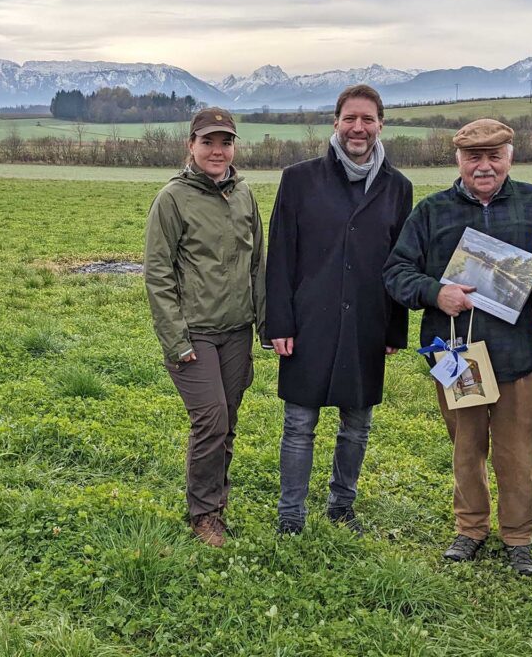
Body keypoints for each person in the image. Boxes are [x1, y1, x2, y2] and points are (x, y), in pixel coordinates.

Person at [383, 119, 532, 575]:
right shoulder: (432, 212)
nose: (485, 165)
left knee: (518, 452)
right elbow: (396, 272)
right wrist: (437, 293)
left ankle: (519, 537)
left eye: (495, 155)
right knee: (466, 447)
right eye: (474, 156)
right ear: (458, 160)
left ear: (510, 156)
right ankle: (470, 528)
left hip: (517, 356)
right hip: (458, 356)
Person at [266, 84, 413, 536]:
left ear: (380, 125)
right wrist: (279, 323)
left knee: (357, 424)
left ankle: (341, 505)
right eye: (350, 118)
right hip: (309, 320)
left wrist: (394, 329)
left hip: (367, 321)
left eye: (368, 119)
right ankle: (291, 514)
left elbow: (400, 261)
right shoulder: (300, 179)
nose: (358, 127)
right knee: (299, 423)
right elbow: (280, 257)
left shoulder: (397, 188)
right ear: (336, 123)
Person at [144, 106, 266, 548]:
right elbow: (157, 275)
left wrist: (265, 326)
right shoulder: (172, 199)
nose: (218, 151)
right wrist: (175, 340)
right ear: (190, 146)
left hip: (236, 330)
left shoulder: (244, 194)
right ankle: (203, 514)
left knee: (227, 422)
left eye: (226, 142)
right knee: (211, 419)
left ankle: (216, 501)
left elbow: (258, 264)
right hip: (194, 333)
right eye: (208, 142)